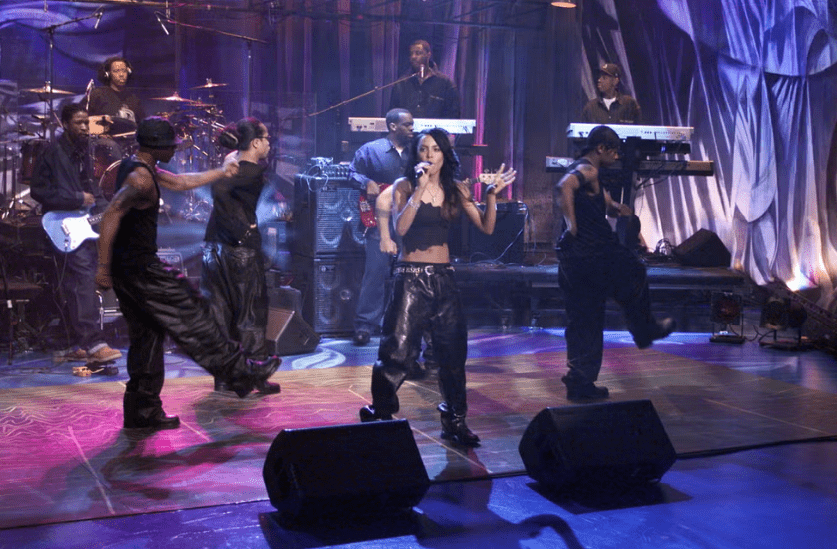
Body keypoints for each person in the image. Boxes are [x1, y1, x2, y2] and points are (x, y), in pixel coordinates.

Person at [95, 117, 281, 430]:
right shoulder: (140, 178)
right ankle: (241, 373)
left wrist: (221, 171)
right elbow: (112, 213)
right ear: (157, 146)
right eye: (171, 146)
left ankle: (142, 411)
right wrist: (102, 268)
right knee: (193, 316)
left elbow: (181, 182)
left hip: (131, 269)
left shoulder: (141, 167)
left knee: (148, 338)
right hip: (141, 269)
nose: (174, 151)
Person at [359, 128, 516, 447]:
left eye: (435, 149)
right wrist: (419, 190)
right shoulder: (404, 186)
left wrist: (490, 196)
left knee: (452, 354)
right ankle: (381, 413)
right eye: (423, 149)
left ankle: (455, 421)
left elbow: (486, 227)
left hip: (444, 278)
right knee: (397, 352)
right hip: (411, 277)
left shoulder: (455, 189)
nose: (429, 155)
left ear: (445, 155)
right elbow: (401, 228)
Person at [553, 125, 675, 401]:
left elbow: (602, 202)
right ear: (601, 149)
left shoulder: (589, 173)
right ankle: (644, 330)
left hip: (575, 260)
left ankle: (580, 383)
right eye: (615, 151)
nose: (618, 156)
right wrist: (571, 227)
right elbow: (564, 186)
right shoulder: (588, 169)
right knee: (634, 271)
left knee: (585, 318)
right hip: (593, 255)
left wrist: (616, 208)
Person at [29, 102, 123, 367]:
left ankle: (74, 342)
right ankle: (94, 343)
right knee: (83, 280)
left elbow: (94, 191)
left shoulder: (85, 152)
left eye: (86, 123)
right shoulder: (52, 152)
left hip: (84, 226)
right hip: (61, 223)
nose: (84, 127)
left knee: (75, 283)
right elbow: (38, 191)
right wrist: (75, 198)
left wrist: (109, 213)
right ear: (65, 124)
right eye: (79, 123)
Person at [202, 118, 280, 395]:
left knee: (220, 313)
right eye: (266, 138)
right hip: (239, 250)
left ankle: (224, 377)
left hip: (213, 248)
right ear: (256, 143)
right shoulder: (252, 171)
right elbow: (219, 190)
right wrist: (242, 230)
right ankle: (256, 373)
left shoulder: (232, 166)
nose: (269, 144)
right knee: (250, 313)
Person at [350, 108, 413, 347]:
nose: (412, 129)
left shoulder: (418, 150)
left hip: (409, 219)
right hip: (379, 220)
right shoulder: (371, 150)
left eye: (412, 125)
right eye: (407, 125)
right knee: (375, 273)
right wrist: (366, 181)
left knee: (408, 274)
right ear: (393, 127)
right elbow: (351, 173)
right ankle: (365, 325)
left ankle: (403, 324)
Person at [389, 40, 461, 119]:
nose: (413, 57)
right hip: (408, 127)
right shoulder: (401, 83)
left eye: (418, 53)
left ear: (428, 55)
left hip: (436, 127)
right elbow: (393, 115)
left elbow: (454, 114)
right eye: (411, 54)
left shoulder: (445, 83)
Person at [88, 56, 145, 130]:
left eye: (124, 71)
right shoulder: (98, 94)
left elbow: (142, 123)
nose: (121, 74)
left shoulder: (133, 98)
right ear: (108, 74)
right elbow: (86, 119)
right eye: (116, 71)